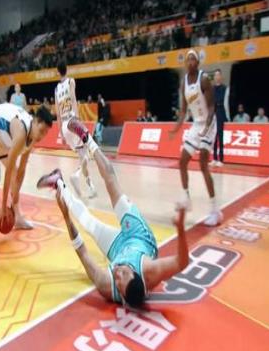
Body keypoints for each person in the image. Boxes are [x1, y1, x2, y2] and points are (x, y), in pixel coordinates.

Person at [37, 132, 189, 307]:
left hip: (118, 249)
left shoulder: (106, 285)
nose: (117, 273)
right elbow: (182, 262)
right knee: (112, 186)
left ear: (120, 295)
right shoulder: (149, 272)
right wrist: (180, 229)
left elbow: (82, 252)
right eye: (123, 274)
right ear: (135, 273)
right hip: (139, 236)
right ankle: (88, 139)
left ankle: (59, 184)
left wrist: (66, 216)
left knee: (88, 223)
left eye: (118, 281)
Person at [0, 104, 53, 264]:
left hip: (0, 135)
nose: (42, 136)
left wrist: (13, 201)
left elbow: (21, 170)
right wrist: (3, 205)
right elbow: (8, 170)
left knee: (16, 173)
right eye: (42, 131)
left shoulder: (32, 136)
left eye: (45, 133)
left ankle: (18, 217)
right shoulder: (21, 132)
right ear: (36, 121)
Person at [169, 50, 223, 226]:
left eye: (193, 59)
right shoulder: (184, 83)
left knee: (203, 164)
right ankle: (186, 199)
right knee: (182, 161)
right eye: (188, 59)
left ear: (198, 63)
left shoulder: (204, 79)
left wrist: (207, 127)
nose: (190, 61)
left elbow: (212, 107)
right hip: (196, 124)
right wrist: (176, 128)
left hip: (209, 123)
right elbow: (183, 111)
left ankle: (215, 210)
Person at [54, 61, 97, 198]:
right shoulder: (71, 81)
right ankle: (76, 175)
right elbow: (73, 99)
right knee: (87, 153)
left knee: (83, 155)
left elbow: (58, 113)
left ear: (58, 72)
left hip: (64, 127)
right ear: (67, 69)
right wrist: (77, 119)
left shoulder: (56, 89)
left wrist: (61, 134)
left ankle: (91, 187)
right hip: (73, 122)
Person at [211, 69, 229, 167]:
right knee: (214, 135)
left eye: (218, 75)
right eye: (215, 75)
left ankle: (221, 159)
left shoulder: (224, 88)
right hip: (213, 111)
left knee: (220, 135)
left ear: (221, 77)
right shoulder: (212, 89)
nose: (217, 77)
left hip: (221, 111)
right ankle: (214, 158)